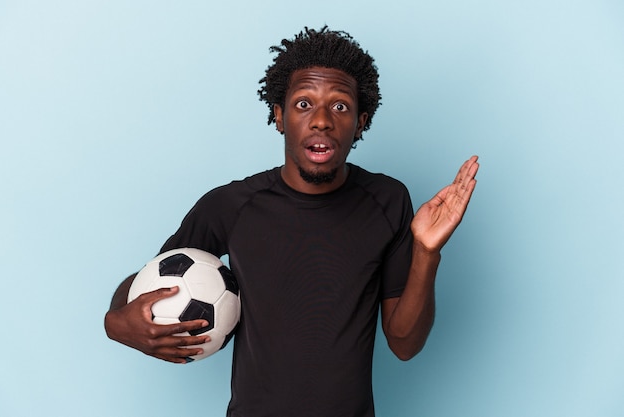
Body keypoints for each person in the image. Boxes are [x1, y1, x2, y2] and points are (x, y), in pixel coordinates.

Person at [104, 26, 479, 417]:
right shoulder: (231, 205)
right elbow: (153, 279)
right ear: (279, 116)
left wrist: (426, 252)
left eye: (340, 106)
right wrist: (116, 322)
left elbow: (404, 344)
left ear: (361, 122)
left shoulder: (387, 200)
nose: (321, 120)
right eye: (303, 104)